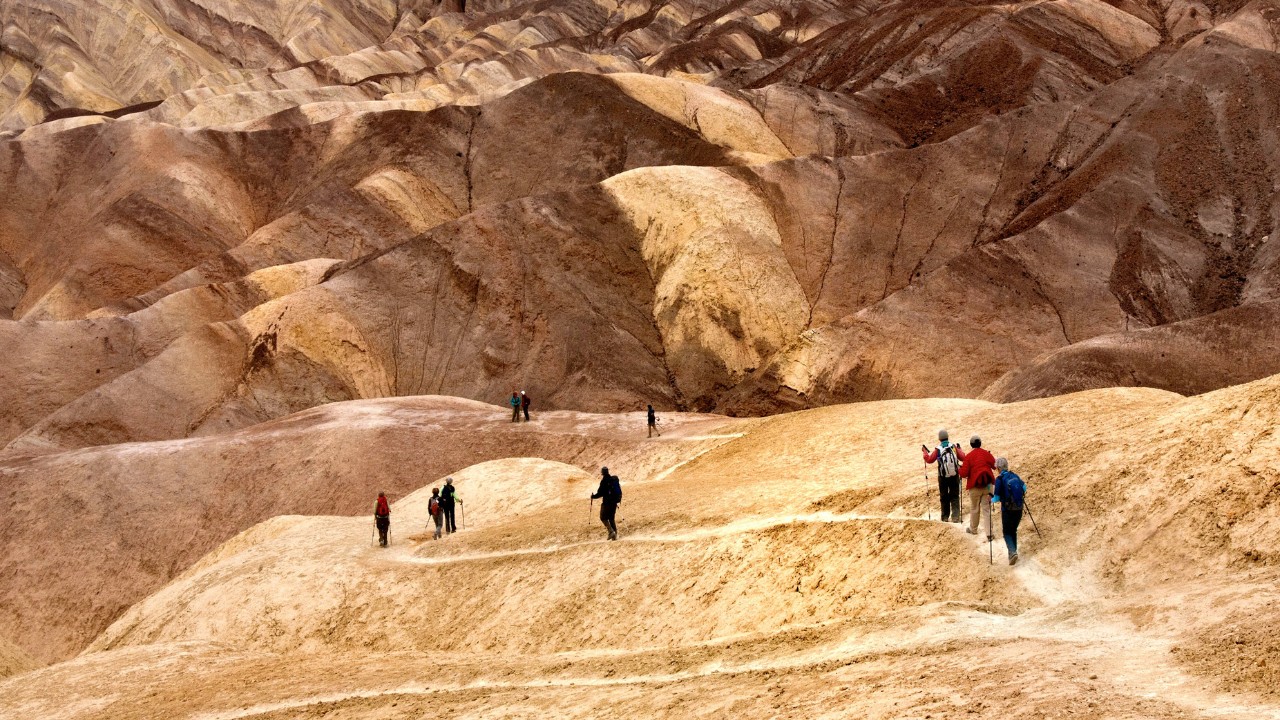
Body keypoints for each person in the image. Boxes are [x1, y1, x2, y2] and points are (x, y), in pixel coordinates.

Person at [922, 429, 963, 523]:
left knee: (944, 496)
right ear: (947, 437)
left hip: (942, 476)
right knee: (955, 495)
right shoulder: (953, 447)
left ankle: (945, 517)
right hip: (954, 475)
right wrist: (959, 449)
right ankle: (955, 517)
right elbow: (963, 457)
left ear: (939, 439)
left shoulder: (938, 449)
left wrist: (924, 452)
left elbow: (929, 459)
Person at [959, 435, 997, 539]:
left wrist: (959, 468)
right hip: (988, 485)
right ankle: (989, 534)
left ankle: (973, 529)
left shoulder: (969, 457)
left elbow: (963, 474)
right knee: (986, 509)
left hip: (974, 486)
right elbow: (994, 465)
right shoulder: (986, 454)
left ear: (971, 445)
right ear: (980, 443)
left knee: (974, 508)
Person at [992, 457, 1027, 565]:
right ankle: (1013, 552)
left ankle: (1012, 552)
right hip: (1019, 508)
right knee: (1013, 531)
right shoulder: (1014, 475)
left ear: (998, 468)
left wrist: (990, 500)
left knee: (1007, 532)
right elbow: (1024, 487)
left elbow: (997, 498)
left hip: (1007, 510)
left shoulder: (999, 479)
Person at [591, 466, 622, 540]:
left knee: (603, 517)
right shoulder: (613, 480)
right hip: (614, 502)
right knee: (611, 518)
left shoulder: (604, 481)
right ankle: (615, 536)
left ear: (602, 473)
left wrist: (593, 496)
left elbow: (600, 493)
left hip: (607, 503)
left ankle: (611, 531)